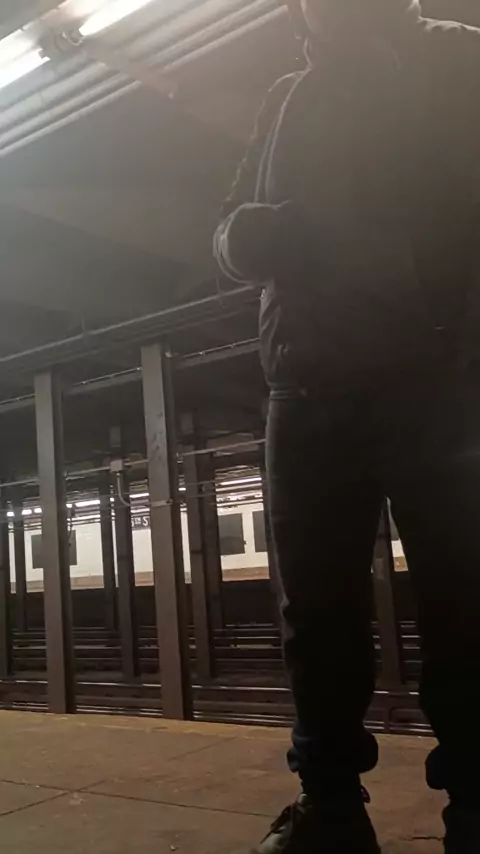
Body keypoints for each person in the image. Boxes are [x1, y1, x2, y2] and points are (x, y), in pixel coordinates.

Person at [213, 1, 480, 852]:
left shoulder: (457, 59)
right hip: (307, 386)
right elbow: (229, 220)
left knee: (464, 596)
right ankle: (329, 806)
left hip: (439, 376)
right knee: (316, 609)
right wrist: (246, 239)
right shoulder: (287, 95)